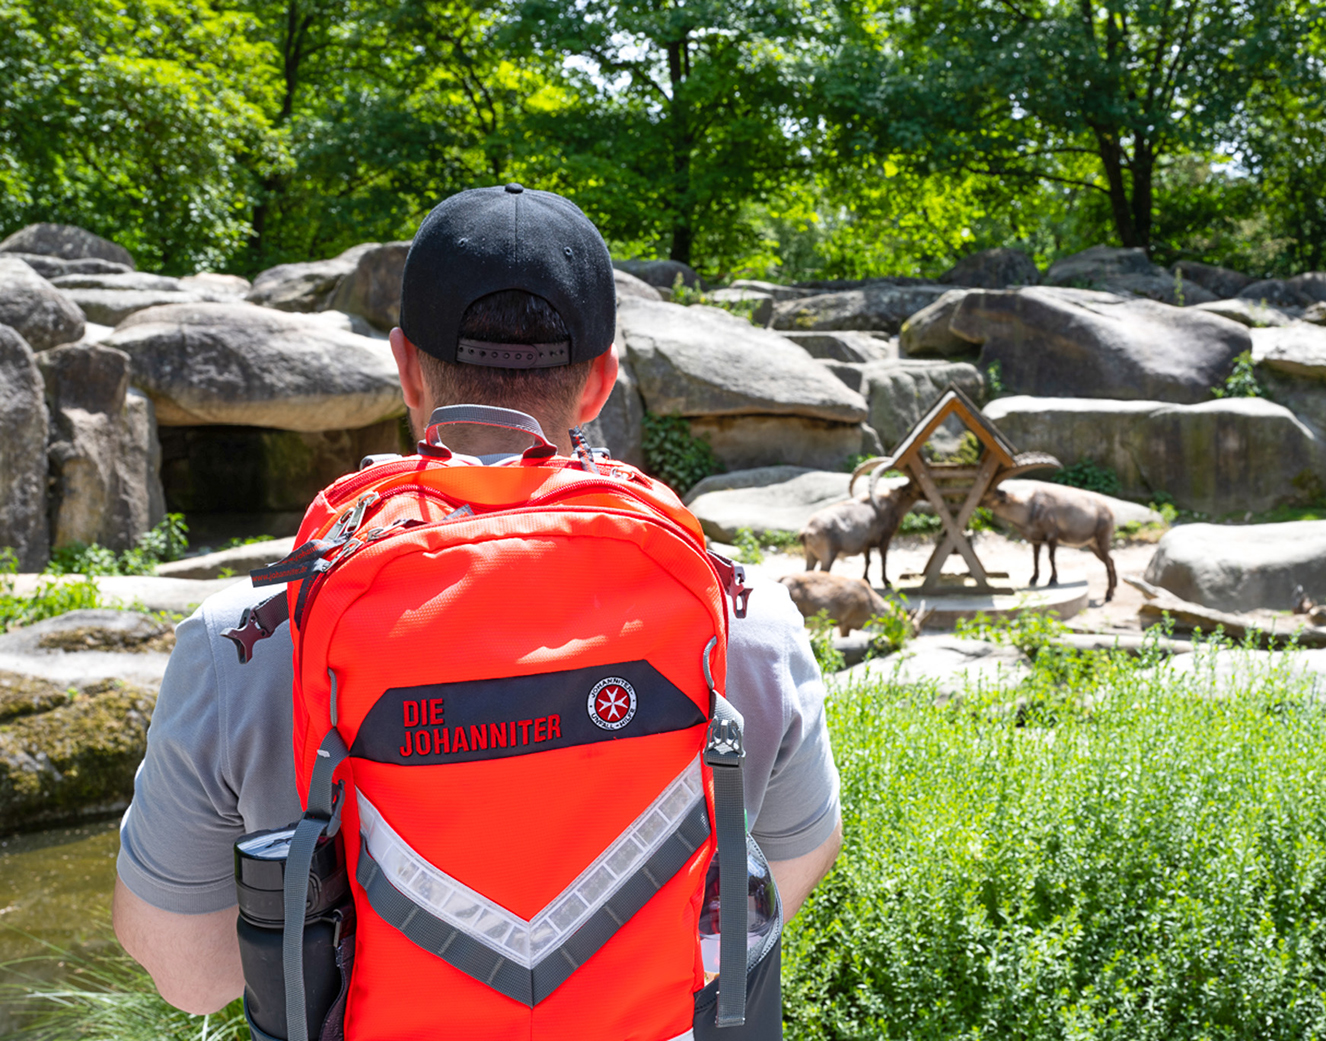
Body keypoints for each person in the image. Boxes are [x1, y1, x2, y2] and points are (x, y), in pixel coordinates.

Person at [111, 184, 844, 1015]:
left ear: (405, 367)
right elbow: (773, 884)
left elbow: (189, 975)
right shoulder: (743, 619)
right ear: (602, 381)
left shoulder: (242, 641)